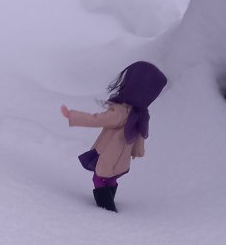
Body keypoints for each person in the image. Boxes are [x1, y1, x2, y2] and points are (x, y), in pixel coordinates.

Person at [60, 61, 168, 212]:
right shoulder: (140, 114)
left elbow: (96, 119)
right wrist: (137, 151)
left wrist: (72, 116)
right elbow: (140, 136)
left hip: (108, 155)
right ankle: (109, 206)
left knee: (99, 178)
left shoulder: (120, 113)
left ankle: (107, 210)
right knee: (110, 178)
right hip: (122, 159)